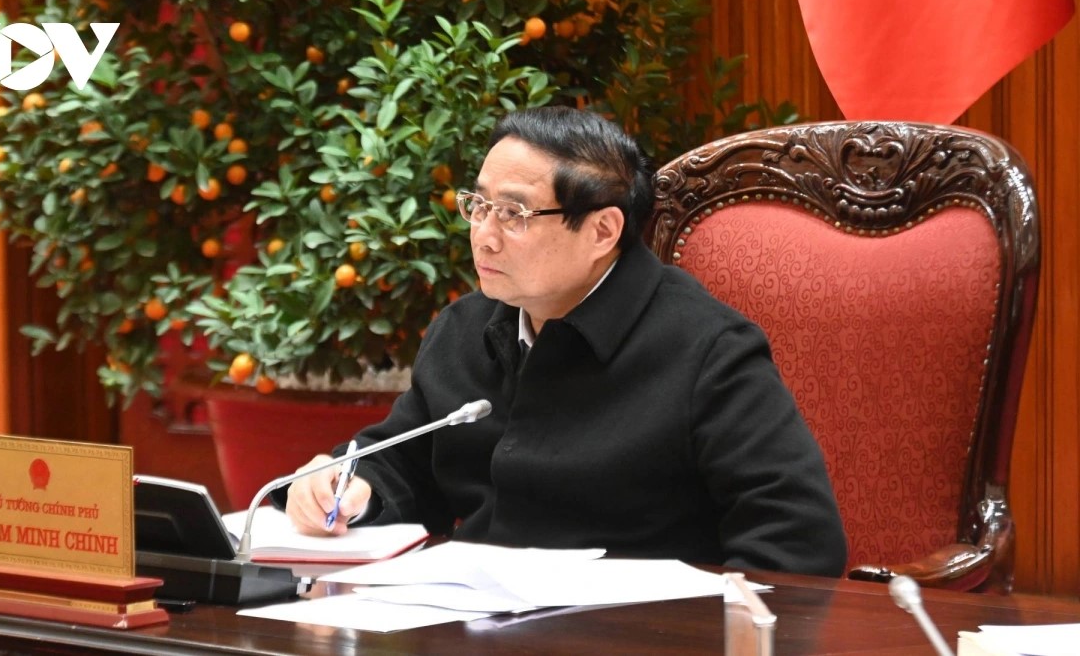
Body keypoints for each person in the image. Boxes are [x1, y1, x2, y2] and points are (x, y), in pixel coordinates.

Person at [284, 106, 848, 576]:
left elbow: (795, 545)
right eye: (478, 206)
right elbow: (405, 465)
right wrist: (352, 488)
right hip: (466, 625)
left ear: (603, 231)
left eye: (513, 214)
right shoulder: (464, 329)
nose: (484, 236)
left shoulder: (709, 352)